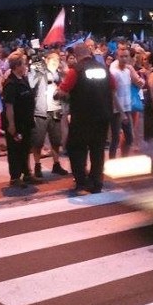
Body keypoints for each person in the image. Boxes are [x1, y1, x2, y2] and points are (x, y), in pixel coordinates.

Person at [55, 43, 117, 194]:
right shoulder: (104, 69)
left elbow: (62, 92)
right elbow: (113, 87)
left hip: (82, 118)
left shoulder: (75, 70)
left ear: (76, 56)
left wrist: (60, 93)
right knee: (97, 151)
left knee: (76, 149)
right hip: (102, 117)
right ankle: (96, 183)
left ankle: (81, 183)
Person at [28, 51, 69, 176]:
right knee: (38, 141)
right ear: (46, 61)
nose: (55, 64)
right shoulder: (40, 72)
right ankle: (37, 165)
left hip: (55, 110)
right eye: (52, 61)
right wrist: (36, 65)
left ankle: (56, 164)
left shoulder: (59, 75)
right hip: (41, 111)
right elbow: (31, 82)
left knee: (56, 140)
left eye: (57, 61)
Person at [2, 52, 39, 188]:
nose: (26, 66)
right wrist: (11, 124)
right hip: (16, 123)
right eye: (24, 63)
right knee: (15, 150)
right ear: (17, 66)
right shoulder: (11, 83)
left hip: (26, 122)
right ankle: (15, 177)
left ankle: (27, 174)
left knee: (25, 148)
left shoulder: (22, 79)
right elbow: (9, 106)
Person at [108, 46, 145, 158]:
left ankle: (123, 158)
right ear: (117, 57)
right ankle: (112, 161)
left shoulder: (127, 71)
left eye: (126, 56)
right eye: (121, 56)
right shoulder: (113, 72)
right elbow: (113, 94)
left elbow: (139, 83)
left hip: (127, 108)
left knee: (129, 138)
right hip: (116, 110)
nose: (124, 58)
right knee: (115, 139)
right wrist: (121, 112)